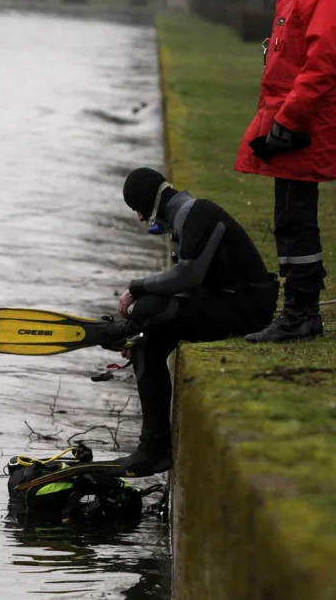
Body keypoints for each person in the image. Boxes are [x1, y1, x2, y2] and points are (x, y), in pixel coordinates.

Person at [98, 167, 279, 475]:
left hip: (247, 311)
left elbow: (188, 276)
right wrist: (143, 329)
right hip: (226, 303)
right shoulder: (182, 217)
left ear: (148, 203)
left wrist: (137, 288)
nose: (139, 218)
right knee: (146, 345)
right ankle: (153, 449)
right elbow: (191, 287)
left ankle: (123, 333)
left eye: (138, 209)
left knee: (148, 307)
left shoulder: (197, 212)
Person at [236, 0, 336, 343]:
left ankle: (301, 313)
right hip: (290, 122)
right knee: (289, 216)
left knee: (296, 218)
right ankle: (299, 310)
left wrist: (288, 120)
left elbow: (321, 66)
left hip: (304, 126)